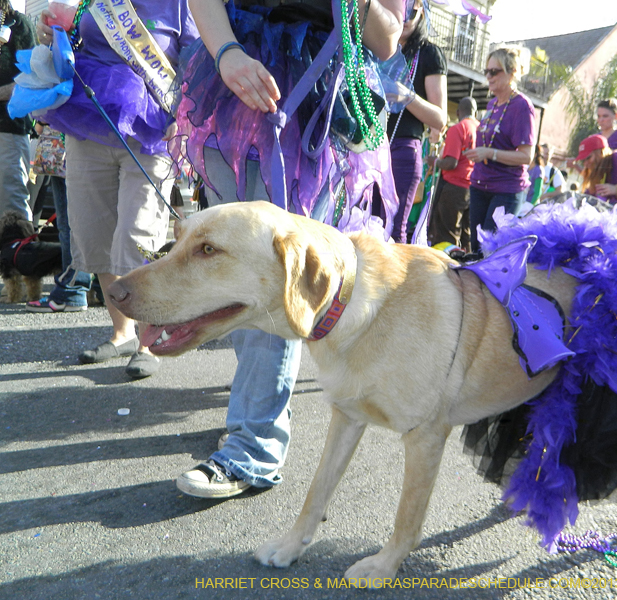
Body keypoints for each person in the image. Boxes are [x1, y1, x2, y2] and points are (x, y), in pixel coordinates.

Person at [169, 0, 404, 498]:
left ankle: (254, 443)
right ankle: (254, 411)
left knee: (268, 272)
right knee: (227, 264)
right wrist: (227, 52)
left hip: (313, 100)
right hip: (230, 77)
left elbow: (386, 40)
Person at [36, 2, 199, 378]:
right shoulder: (95, 1)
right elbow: (71, 41)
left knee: (135, 235)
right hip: (88, 123)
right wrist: (53, 36)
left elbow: (197, 64)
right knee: (95, 233)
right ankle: (122, 332)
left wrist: (187, 116)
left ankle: (148, 342)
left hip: (152, 132)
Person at [384, 0, 447, 243]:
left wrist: (406, 96)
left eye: (412, 8)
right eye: (401, 8)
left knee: (393, 231)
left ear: (421, 8)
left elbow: (439, 118)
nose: (406, 16)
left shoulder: (428, 53)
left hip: (402, 151)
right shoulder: (381, 48)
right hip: (371, 147)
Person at [464, 45, 535, 253]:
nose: (489, 76)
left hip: (505, 190)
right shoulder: (492, 105)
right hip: (479, 186)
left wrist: (489, 153)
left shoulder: (522, 106)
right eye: (486, 71)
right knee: (475, 249)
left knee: (489, 252)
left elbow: (526, 156)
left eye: (494, 71)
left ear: (512, 72)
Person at [26, 123, 92, 312]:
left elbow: (47, 109)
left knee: (70, 226)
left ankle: (72, 290)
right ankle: (99, 290)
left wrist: (40, 121)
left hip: (64, 149)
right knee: (95, 222)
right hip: (93, 145)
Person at [427, 96, 478, 251]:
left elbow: (451, 163)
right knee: (466, 237)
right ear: (475, 112)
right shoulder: (481, 128)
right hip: (474, 189)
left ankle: (445, 271)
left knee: (446, 235)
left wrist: (434, 161)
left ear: (458, 112)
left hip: (454, 188)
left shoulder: (458, 128)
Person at [0, 0, 35, 220]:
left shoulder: (17, 24)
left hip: (8, 128)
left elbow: (31, 79)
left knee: (11, 207)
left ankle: (17, 251)